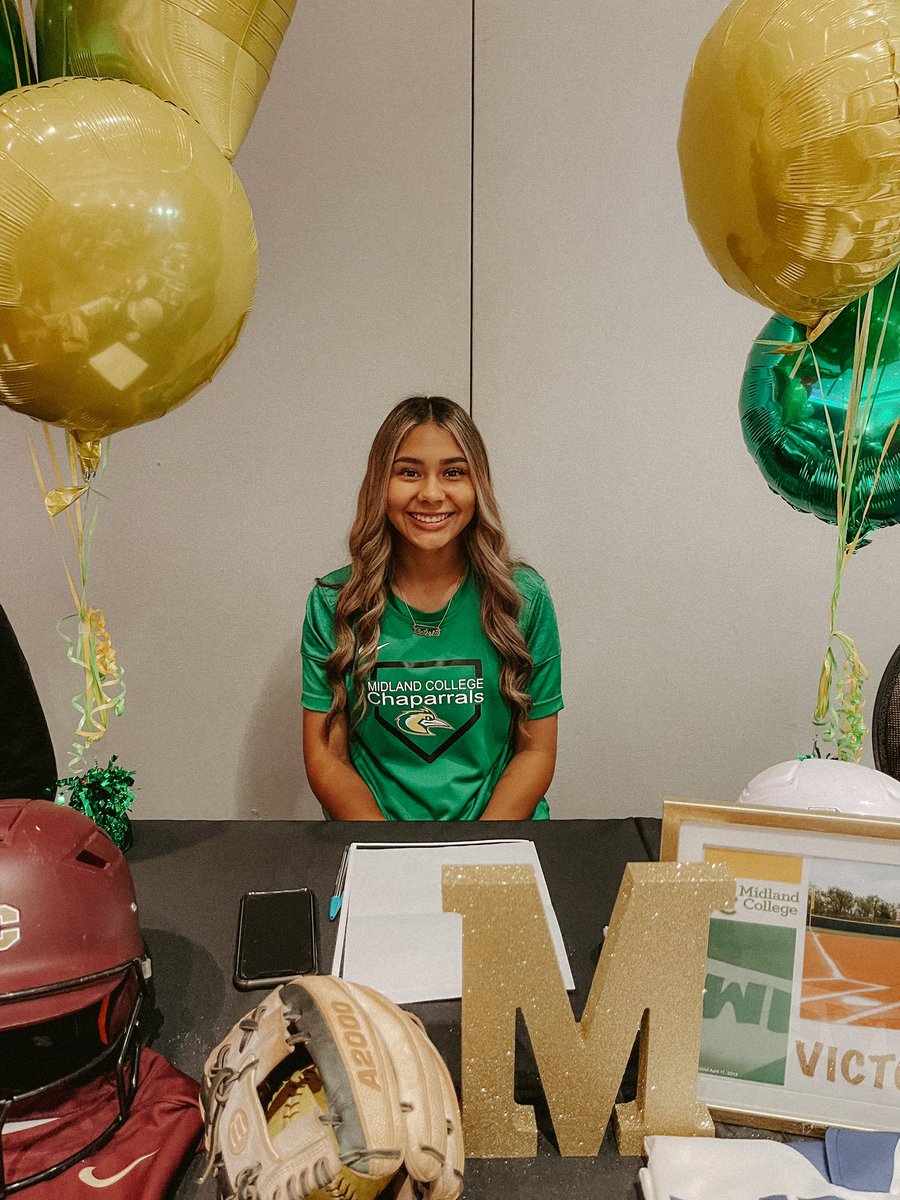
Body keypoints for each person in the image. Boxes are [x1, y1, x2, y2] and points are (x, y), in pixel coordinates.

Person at [301, 396, 562, 820]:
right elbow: (328, 759)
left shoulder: (523, 597)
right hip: (377, 839)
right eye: (409, 472)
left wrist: (478, 848)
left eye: (454, 472)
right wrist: (394, 849)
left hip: (495, 837)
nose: (431, 494)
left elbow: (536, 752)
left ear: (478, 486)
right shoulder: (334, 602)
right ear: (380, 483)